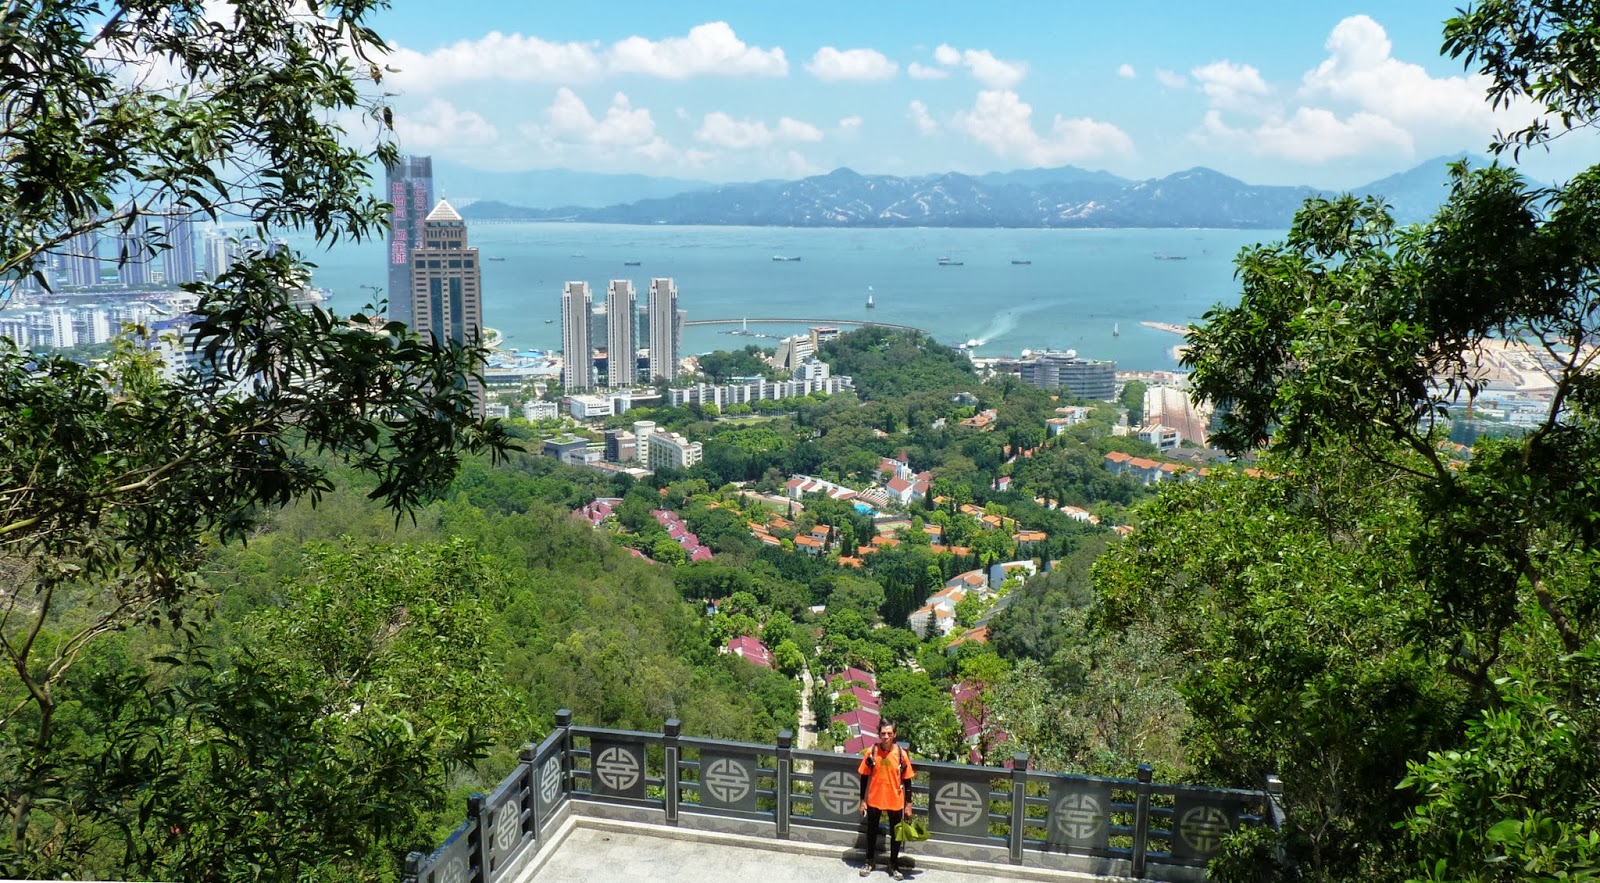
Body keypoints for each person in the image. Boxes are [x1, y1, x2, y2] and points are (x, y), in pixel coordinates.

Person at [858, 722, 916, 879]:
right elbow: (864, 777)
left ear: (894, 734)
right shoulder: (872, 752)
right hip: (875, 797)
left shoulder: (901, 754)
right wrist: (862, 800)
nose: (886, 737)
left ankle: (893, 864)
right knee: (871, 830)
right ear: (879, 734)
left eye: (889, 733)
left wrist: (908, 805)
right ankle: (869, 860)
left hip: (895, 799)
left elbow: (908, 781)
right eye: (883, 733)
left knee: (896, 833)